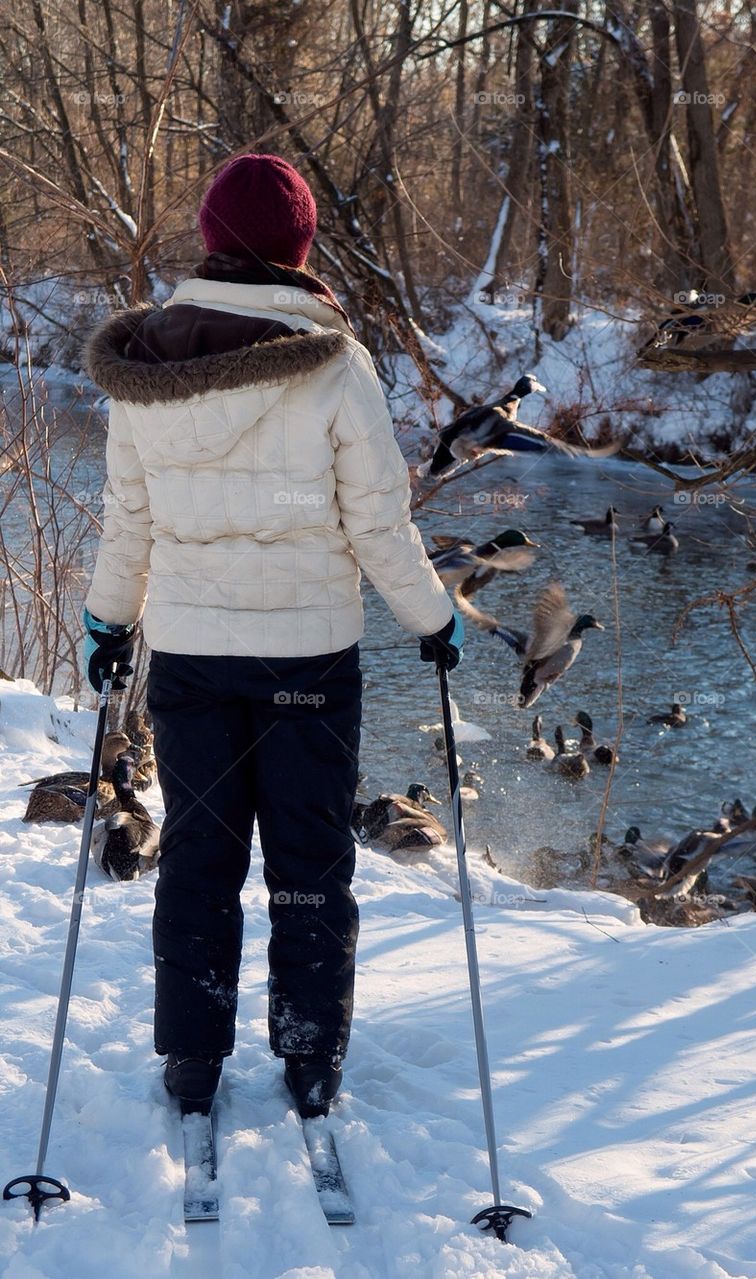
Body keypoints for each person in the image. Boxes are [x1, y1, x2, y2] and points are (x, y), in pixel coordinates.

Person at [81, 153, 464, 1118]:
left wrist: (108, 620)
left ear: (210, 241)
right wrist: (434, 616)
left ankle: (193, 1061)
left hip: (193, 661)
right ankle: (308, 1056)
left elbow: (129, 519)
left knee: (203, 856)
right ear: (301, 249)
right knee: (307, 863)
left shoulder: (147, 369)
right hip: (309, 660)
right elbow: (376, 522)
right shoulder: (336, 364)